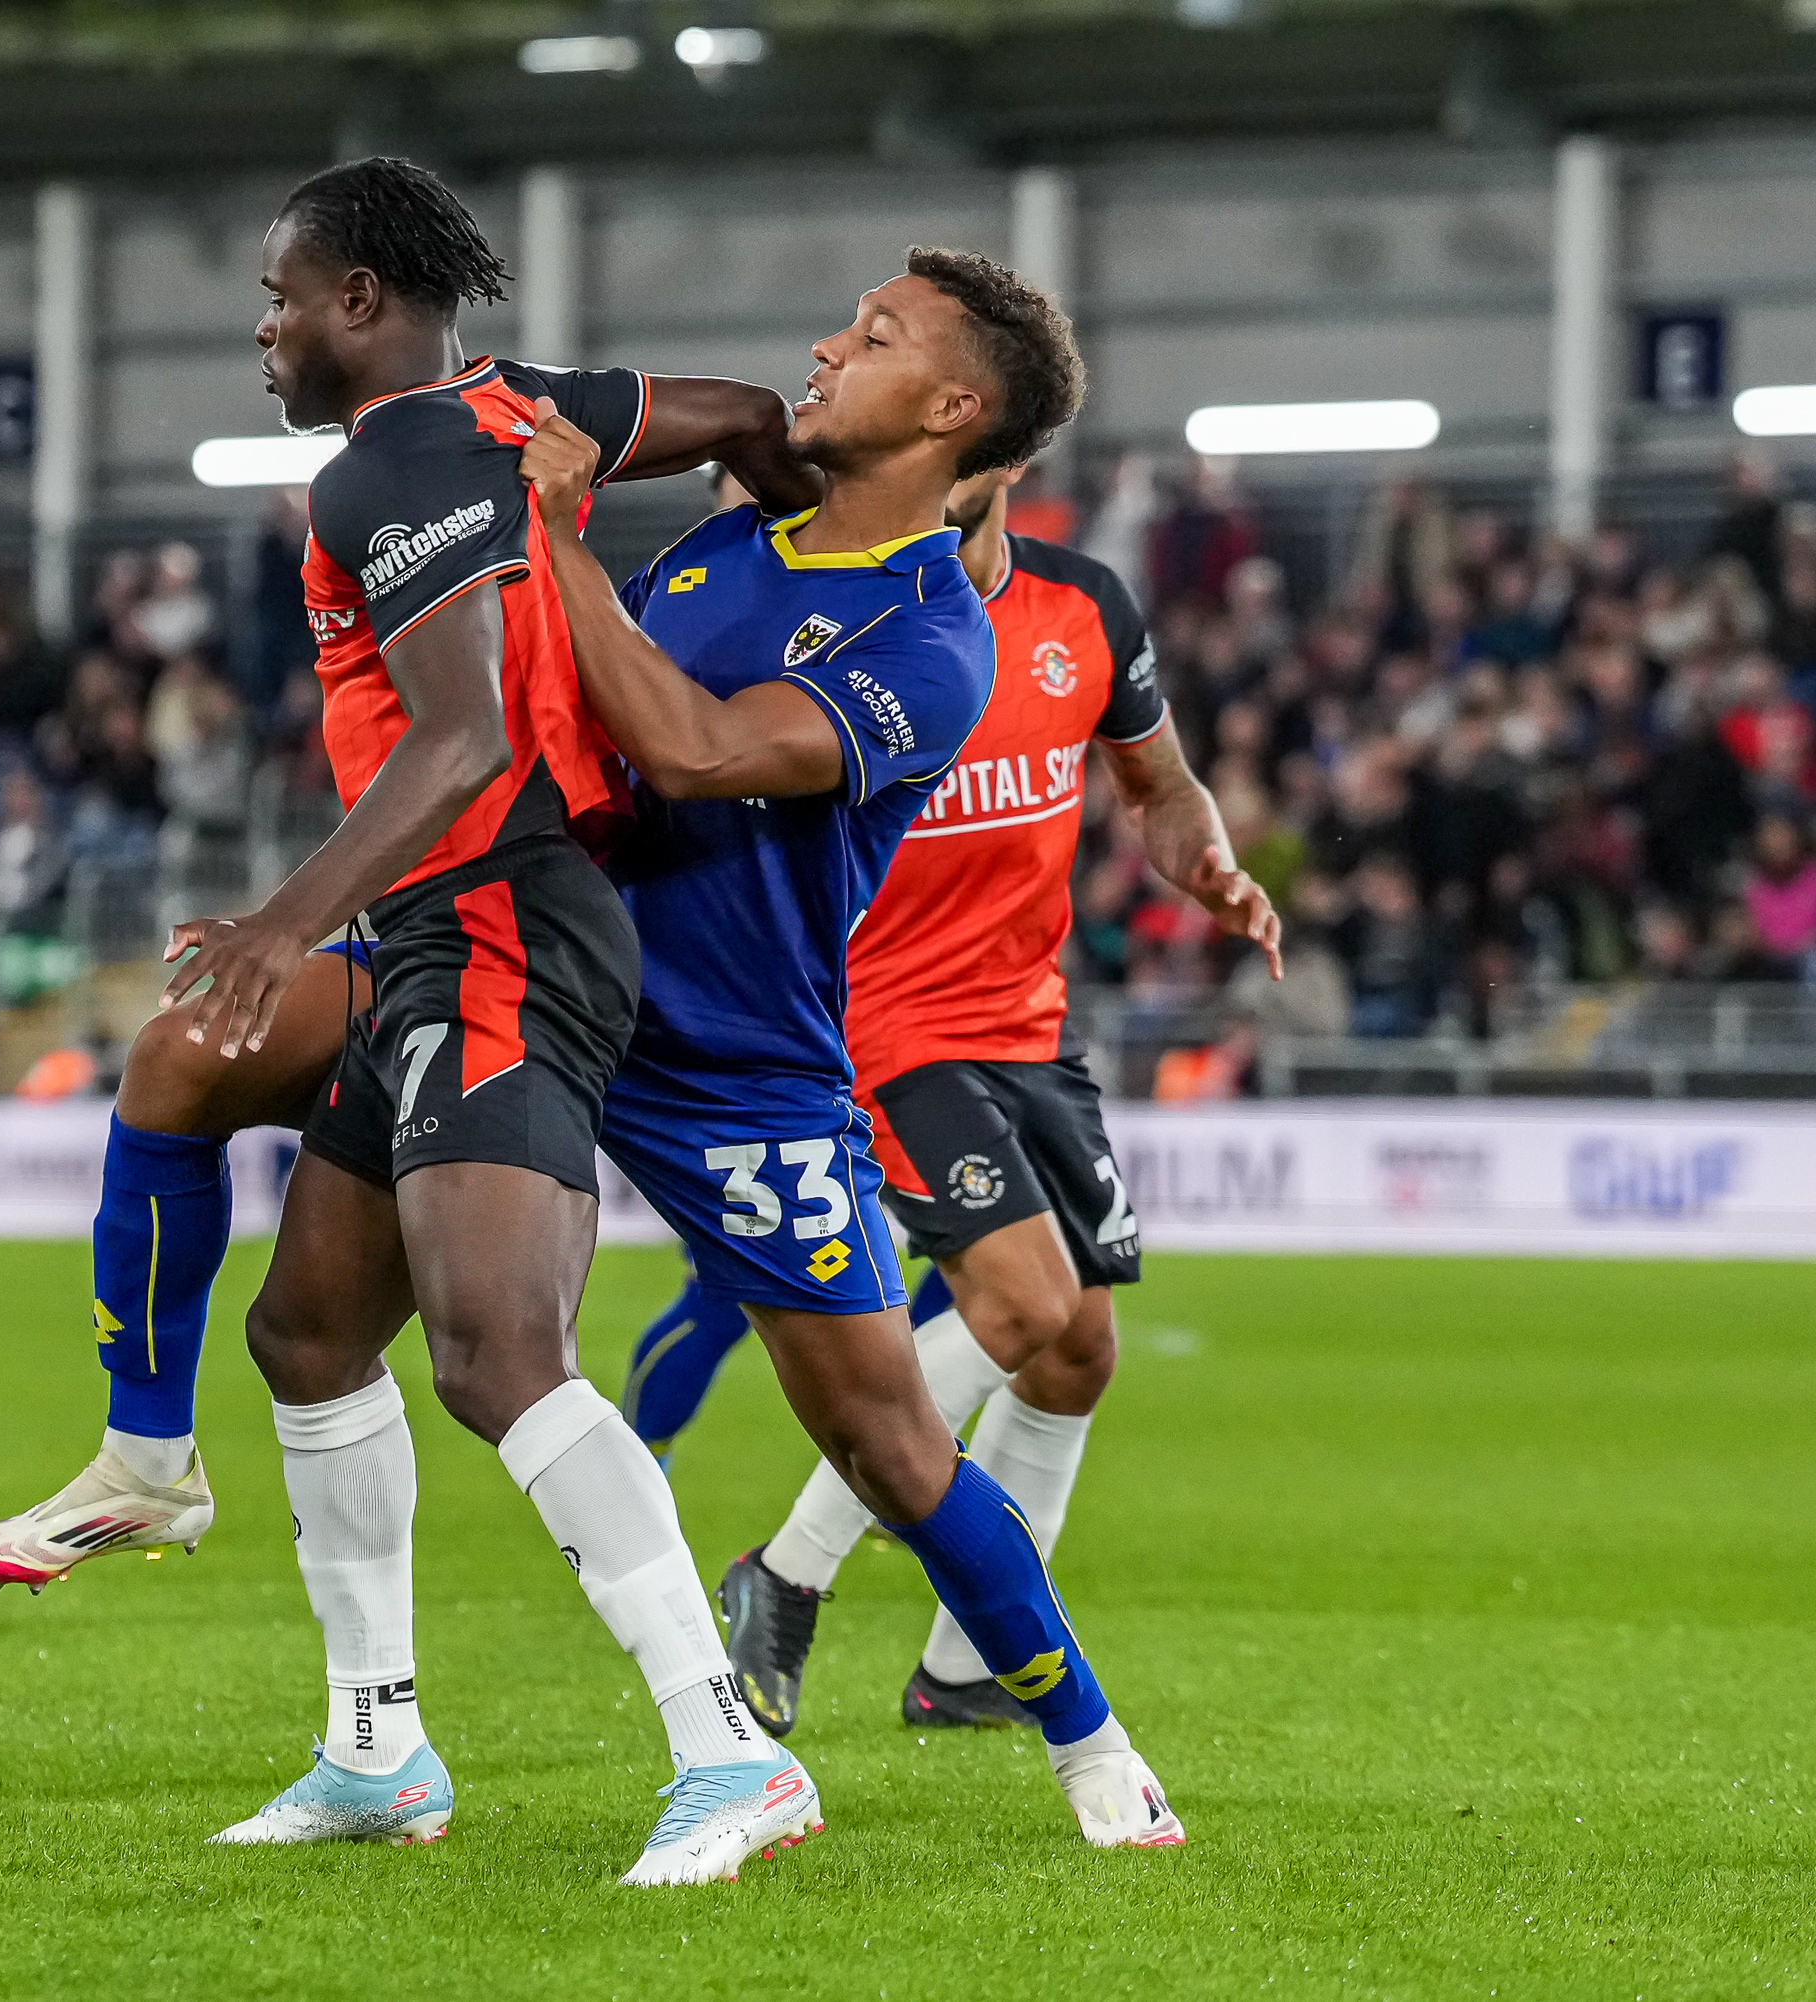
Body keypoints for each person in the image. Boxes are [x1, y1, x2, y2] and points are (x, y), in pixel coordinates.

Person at [75, 156, 835, 1888]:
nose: (260, 327)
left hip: (495, 918)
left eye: (278, 295)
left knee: (501, 1357)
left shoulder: (392, 466)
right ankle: (376, 1748)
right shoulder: (521, 407)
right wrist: (798, 536)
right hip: (455, 927)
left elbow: (460, 740)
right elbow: (733, 412)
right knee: (311, 1336)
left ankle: (727, 1751)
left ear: (359, 302)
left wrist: (285, 921)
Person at [515, 249, 1181, 1850]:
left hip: (737, 1065)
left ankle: (1086, 1738)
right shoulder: (739, 541)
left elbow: (691, 749)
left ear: (955, 408)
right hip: (543, 997)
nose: (827, 343)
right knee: (333, 1287)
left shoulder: (931, 639)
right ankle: (339, 1688)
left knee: (891, 1440)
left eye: (873, 337)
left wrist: (556, 529)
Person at [613, 460, 1283, 1739]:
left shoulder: (1085, 611)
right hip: (876, 1022)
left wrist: (1207, 857)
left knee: (1080, 1349)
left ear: (1007, 458)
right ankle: (784, 1571)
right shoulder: (877, 620)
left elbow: (1157, 783)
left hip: (1026, 1029)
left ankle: (967, 1665)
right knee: (1022, 1302)